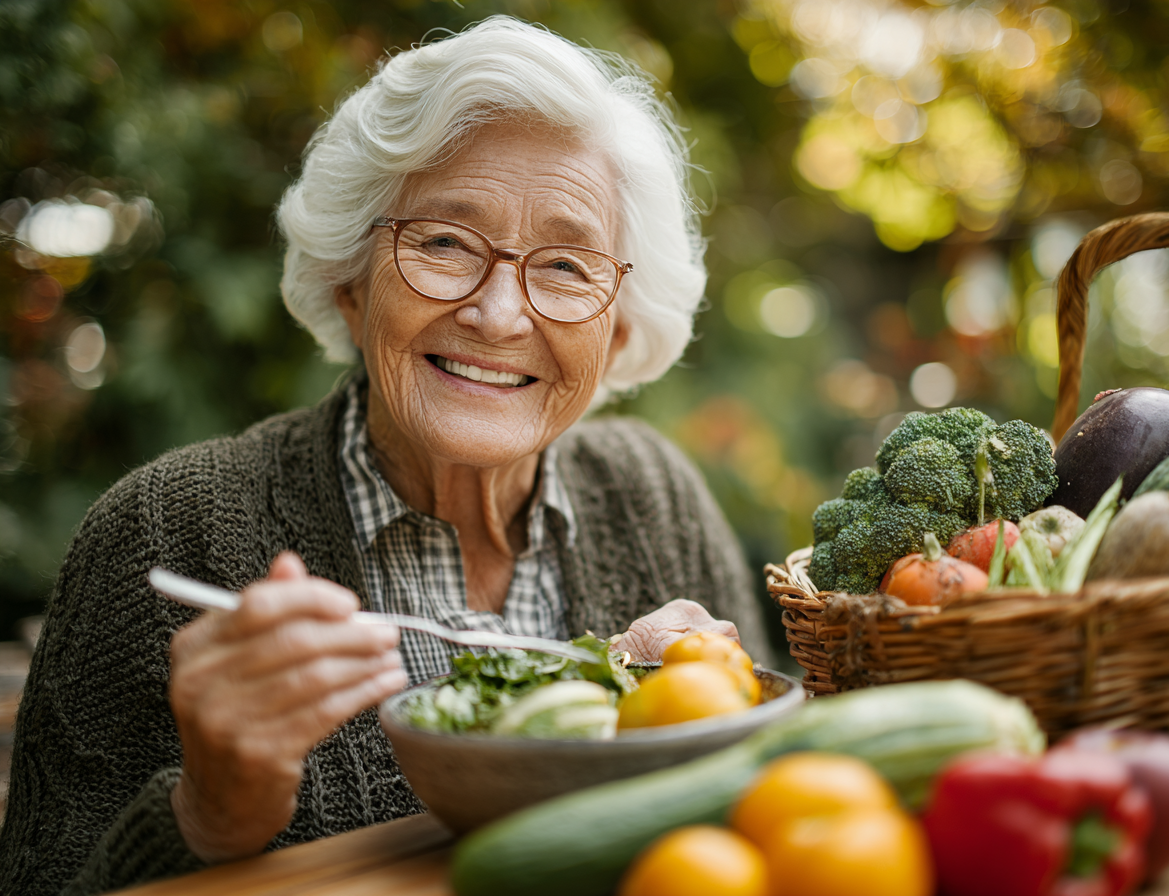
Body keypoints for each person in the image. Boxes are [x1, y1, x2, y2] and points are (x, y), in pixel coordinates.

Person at [0, 18, 766, 896]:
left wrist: (671, 716)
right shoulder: (164, 533)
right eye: (443, 243)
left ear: (619, 325)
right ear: (350, 280)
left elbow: (765, 821)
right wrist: (207, 820)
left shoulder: (654, 495)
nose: (500, 316)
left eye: (564, 265)